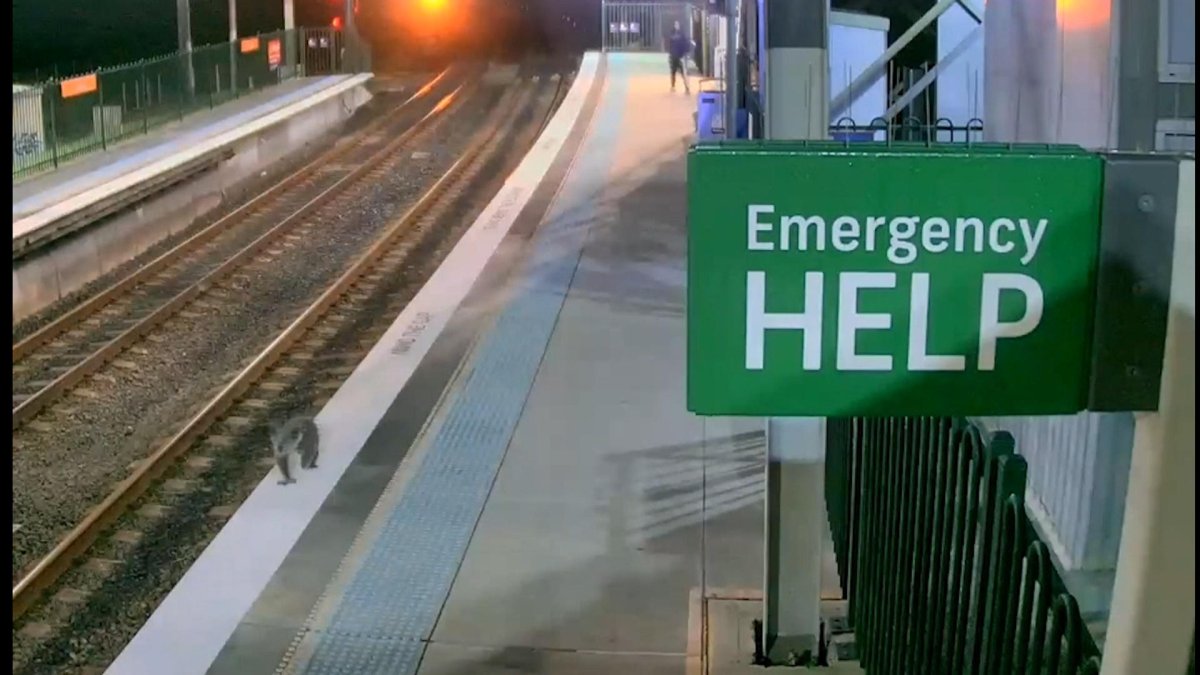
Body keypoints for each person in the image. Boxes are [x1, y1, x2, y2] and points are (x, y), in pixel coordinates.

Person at [667, 22, 693, 94]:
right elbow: (670, 46)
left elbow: (685, 44)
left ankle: (687, 88)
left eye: (677, 24)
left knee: (683, 73)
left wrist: (685, 54)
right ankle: (673, 86)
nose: (676, 26)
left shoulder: (682, 35)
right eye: (675, 24)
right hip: (673, 56)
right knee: (673, 72)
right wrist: (670, 55)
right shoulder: (672, 34)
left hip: (680, 57)